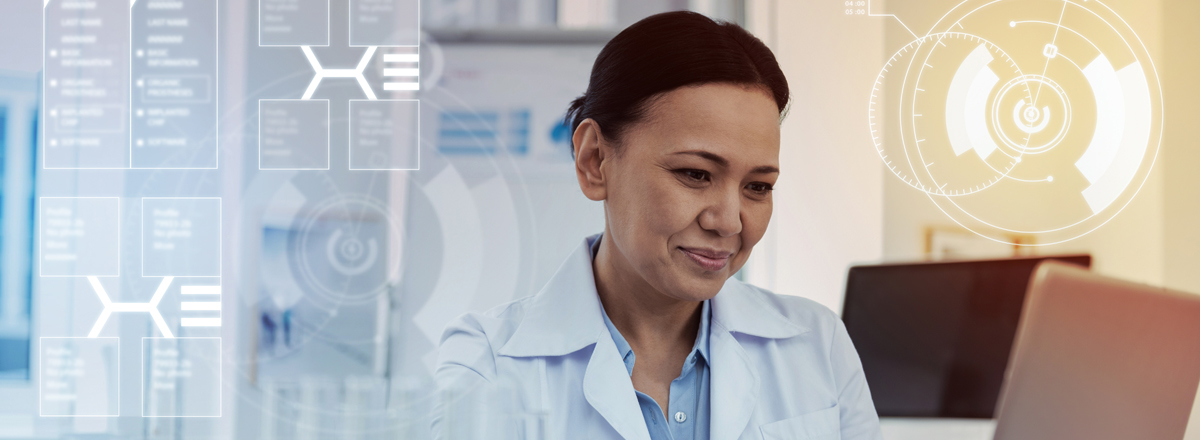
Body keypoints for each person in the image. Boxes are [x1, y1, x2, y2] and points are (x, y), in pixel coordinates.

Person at [434, 10, 883, 440]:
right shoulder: (486, 361)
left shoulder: (817, 345)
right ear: (595, 161)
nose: (728, 222)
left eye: (758, 187)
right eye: (695, 174)